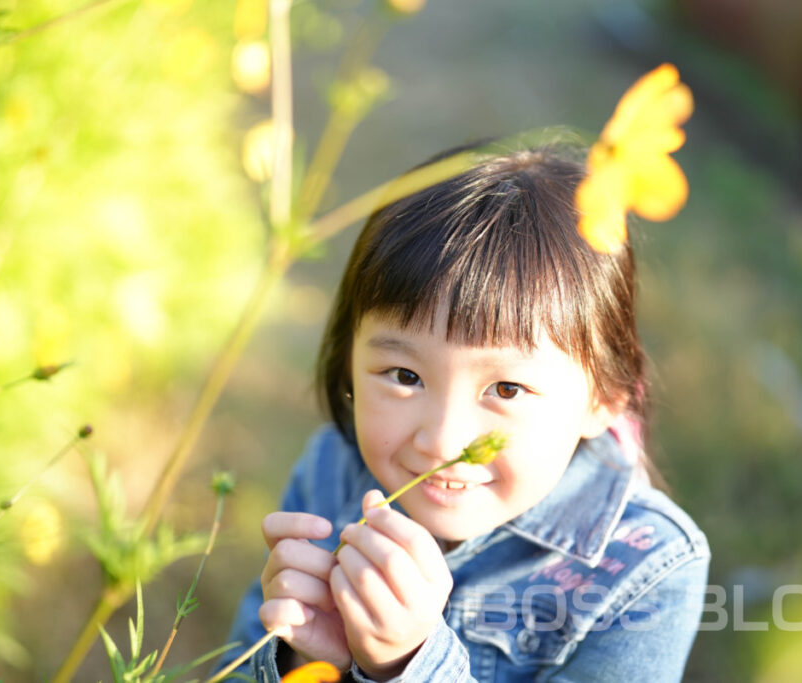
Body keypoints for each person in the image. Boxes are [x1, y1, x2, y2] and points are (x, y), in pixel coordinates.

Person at [217, 142, 710, 682]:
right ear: (347, 358)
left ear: (605, 399)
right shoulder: (331, 471)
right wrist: (299, 657)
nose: (442, 442)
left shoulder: (649, 569)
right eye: (405, 377)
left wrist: (407, 666)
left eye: (506, 389)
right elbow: (236, 665)